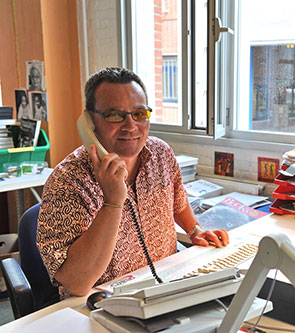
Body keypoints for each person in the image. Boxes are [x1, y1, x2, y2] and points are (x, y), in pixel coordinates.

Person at [37, 67, 229, 299]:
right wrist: (113, 202)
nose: (130, 126)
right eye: (115, 115)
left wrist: (194, 229)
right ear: (89, 121)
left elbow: (177, 202)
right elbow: (77, 282)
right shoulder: (67, 182)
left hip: (165, 287)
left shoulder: (161, 153)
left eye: (139, 114)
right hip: (101, 305)